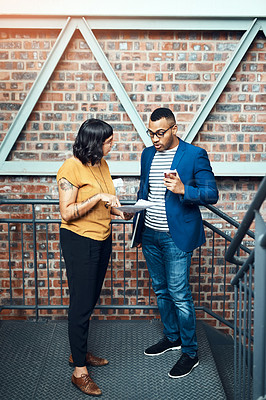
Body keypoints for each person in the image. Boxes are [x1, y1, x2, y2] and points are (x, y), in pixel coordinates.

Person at [133, 107, 219, 379]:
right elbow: (144, 188)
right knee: (161, 290)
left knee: (179, 295)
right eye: (151, 133)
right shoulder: (147, 154)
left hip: (176, 236)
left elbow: (212, 193)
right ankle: (172, 338)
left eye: (160, 133)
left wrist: (185, 190)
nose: (155, 139)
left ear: (173, 129)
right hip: (150, 233)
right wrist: (133, 208)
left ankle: (190, 352)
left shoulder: (194, 155)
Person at [57, 118, 131, 396]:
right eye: (109, 140)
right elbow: (67, 212)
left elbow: (107, 202)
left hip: (102, 239)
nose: (114, 144)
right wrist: (98, 197)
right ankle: (79, 372)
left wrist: (123, 211)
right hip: (79, 241)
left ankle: (80, 353)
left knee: (89, 301)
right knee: (80, 304)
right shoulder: (70, 167)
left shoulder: (102, 165)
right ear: (95, 142)